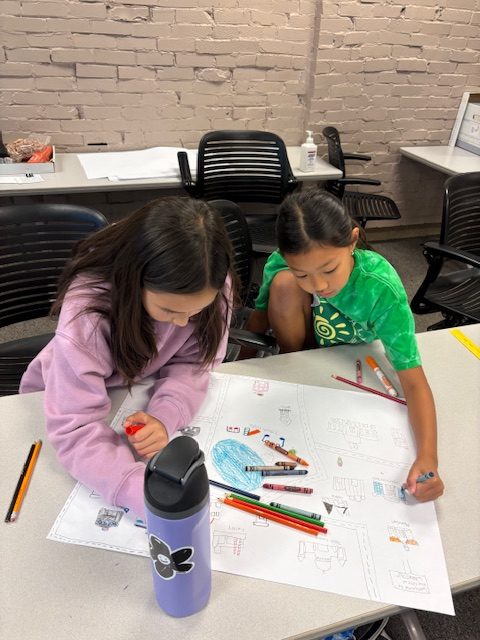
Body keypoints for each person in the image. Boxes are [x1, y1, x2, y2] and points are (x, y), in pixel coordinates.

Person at [20, 197, 235, 518]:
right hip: (63, 395)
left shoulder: (209, 282)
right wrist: (140, 492)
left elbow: (194, 363)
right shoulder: (87, 311)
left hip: (132, 387)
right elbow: (74, 429)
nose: (182, 322)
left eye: (196, 311)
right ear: (134, 281)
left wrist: (164, 416)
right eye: (169, 310)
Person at [247, 189, 444, 503]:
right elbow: (257, 320)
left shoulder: (379, 287)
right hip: (304, 355)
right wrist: (235, 373)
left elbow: (414, 383)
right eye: (302, 274)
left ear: (352, 241)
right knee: (283, 285)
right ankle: (292, 361)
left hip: (352, 359)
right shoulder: (280, 265)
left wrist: (428, 457)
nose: (319, 286)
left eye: (329, 270)